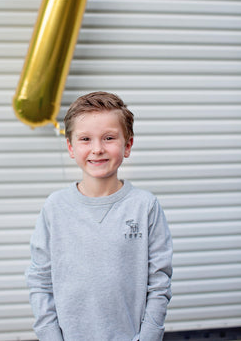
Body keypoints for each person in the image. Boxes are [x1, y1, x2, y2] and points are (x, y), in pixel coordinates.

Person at [25, 91, 173, 341]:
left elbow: (159, 281)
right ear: (70, 147)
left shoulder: (145, 206)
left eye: (109, 138)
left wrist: (149, 335)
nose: (97, 149)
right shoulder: (55, 208)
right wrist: (50, 335)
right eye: (85, 139)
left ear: (127, 145)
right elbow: (40, 280)